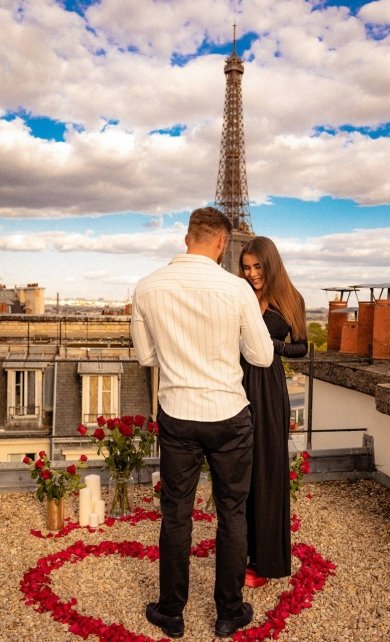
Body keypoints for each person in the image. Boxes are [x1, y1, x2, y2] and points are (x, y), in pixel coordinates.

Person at [131, 207, 273, 639]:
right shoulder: (237, 288)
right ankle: (228, 612)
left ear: (186, 238)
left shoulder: (147, 286)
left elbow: (146, 357)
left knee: (176, 514)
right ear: (222, 243)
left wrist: (181, 355)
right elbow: (262, 355)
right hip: (228, 413)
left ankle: (171, 611)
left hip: (178, 413)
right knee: (232, 513)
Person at [238, 236, 308, 585]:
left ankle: (264, 560)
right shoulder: (239, 295)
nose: (252, 273)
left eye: (257, 266)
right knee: (240, 471)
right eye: (246, 267)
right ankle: (239, 551)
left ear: (271, 264)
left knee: (267, 471)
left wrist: (272, 345)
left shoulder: (292, 299)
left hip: (269, 388)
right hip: (236, 383)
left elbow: (301, 348)